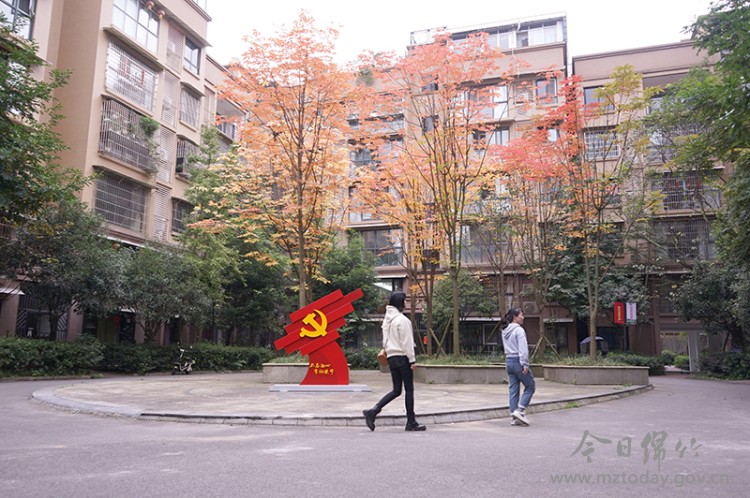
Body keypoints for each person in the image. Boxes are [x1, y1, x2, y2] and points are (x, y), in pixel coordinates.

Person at [363, 291, 426, 432]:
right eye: (405, 300)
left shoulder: (388, 321)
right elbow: (407, 342)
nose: (406, 303)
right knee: (409, 390)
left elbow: (385, 341)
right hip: (403, 357)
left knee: (396, 390)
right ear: (400, 303)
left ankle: (373, 411)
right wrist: (412, 360)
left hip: (391, 357)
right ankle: (411, 422)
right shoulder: (402, 320)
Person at [501, 308, 535, 426]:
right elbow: (523, 348)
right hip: (518, 361)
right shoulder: (519, 330)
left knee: (513, 389)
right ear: (515, 317)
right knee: (530, 386)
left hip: (508, 361)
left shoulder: (504, 330)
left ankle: (514, 417)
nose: (523, 317)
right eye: (521, 315)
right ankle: (520, 411)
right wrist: (525, 363)